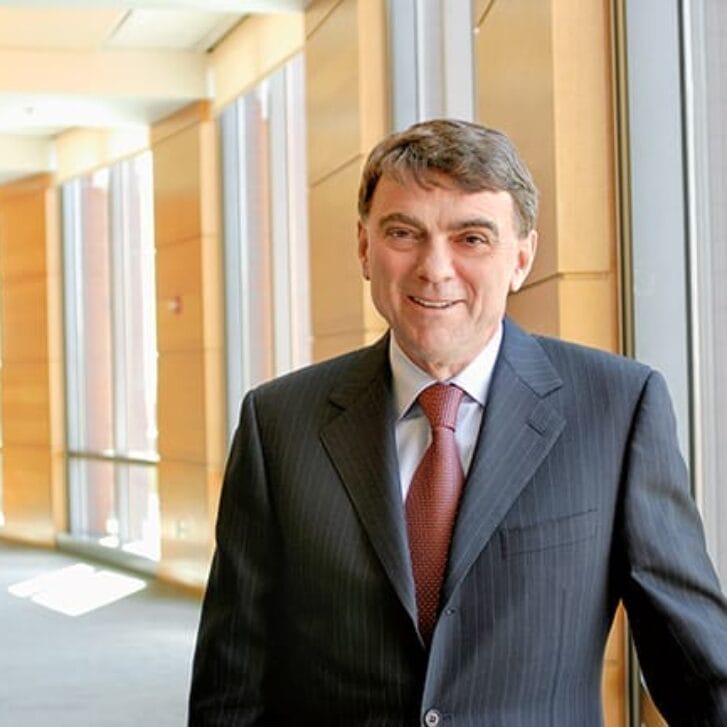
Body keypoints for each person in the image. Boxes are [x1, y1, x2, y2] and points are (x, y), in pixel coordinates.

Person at [188, 119, 727, 726]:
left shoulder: (617, 408)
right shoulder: (278, 424)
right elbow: (231, 684)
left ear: (521, 257)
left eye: (472, 238)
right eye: (403, 233)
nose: (435, 268)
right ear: (364, 247)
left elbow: (697, 664)